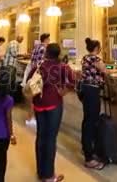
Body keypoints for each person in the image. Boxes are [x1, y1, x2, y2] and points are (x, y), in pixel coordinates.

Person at [29, 43, 75, 182]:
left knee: (41, 136)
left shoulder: (38, 67)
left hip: (39, 105)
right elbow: (73, 81)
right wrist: (64, 91)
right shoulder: (63, 67)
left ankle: (41, 171)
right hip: (54, 104)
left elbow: (29, 82)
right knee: (50, 138)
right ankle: (49, 176)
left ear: (46, 53)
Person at [80, 38, 113, 170]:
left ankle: (86, 147)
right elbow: (105, 71)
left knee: (87, 120)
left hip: (85, 90)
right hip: (92, 91)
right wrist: (113, 71)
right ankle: (89, 157)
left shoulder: (85, 58)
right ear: (97, 48)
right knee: (91, 121)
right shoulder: (95, 59)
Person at [23, 33, 50, 126]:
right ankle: (32, 118)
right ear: (46, 40)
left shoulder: (36, 47)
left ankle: (29, 117)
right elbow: (41, 62)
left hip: (32, 72)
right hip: (38, 74)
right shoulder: (44, 49)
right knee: (36, 96)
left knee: (31, 96)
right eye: (48, 39)